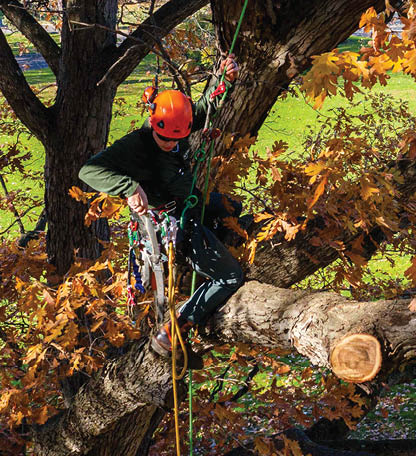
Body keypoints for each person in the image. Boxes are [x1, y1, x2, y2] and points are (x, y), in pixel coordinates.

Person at [79, 55, 243, 360]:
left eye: (175, 139)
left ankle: (218, 241)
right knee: (230, 277)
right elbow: (88, 172)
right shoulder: (137, 145)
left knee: (234, 209)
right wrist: (129, 187)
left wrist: (224, 79)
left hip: (189, 201)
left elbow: (204, 110)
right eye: (164, 138)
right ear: (154, 125)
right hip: (171, 222)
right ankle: (174, 329)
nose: (169, 144)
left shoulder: (178, 123)